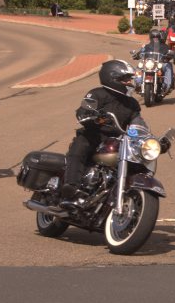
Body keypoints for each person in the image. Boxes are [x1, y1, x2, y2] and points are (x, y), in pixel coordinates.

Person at [61, 59, 143, 207]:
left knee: (137, 160)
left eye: (129, 79)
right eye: (125, 79)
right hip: (94, 135)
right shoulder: (97, 94)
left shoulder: (132, 103)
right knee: (80, 148)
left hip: (117, 140)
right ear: (113, 78)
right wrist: (91, 116)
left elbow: (137, 123)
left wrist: (147, 137)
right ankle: (71, 187)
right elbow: (83, 111)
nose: (129, 82)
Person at [130, 27, 175, 94]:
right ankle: (138, 83)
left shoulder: (165, 46)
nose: (155, 39)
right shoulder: (146, 46)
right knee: (139, 66)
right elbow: (141, 52)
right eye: (154, 37)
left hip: (159, 64)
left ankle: (166, 85)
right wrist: (136, 55)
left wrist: (168, 56)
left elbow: (170, 53)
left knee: (168, 65)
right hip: (149, 63)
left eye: (156, 37)